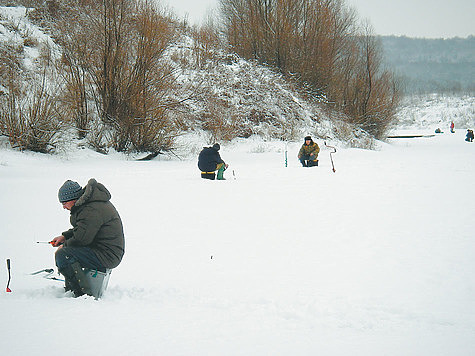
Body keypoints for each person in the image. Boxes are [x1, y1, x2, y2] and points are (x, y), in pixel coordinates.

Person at [51, 179, 125, 297]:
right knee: (67, 252)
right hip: (105, 250)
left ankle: (82, 293)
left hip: (107, 254)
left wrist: (64, 247)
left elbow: (82, 239)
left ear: (73, 199)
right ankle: (75, 287)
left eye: (64, 203)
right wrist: (65, 237)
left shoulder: (91, 210)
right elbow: (84, 229)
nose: (64, 207)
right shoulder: (90, 205)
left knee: (63, 255)